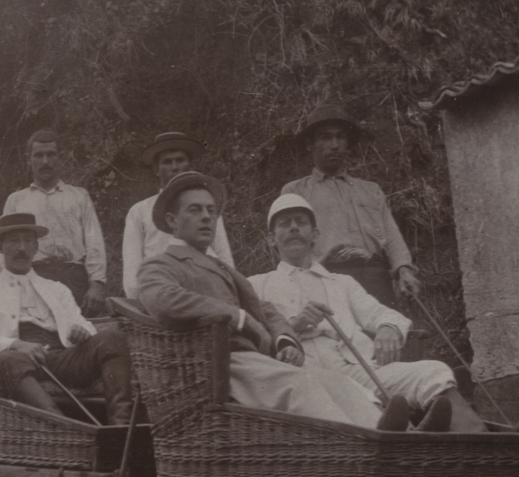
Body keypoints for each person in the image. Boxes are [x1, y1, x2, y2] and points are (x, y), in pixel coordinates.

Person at [135, 172, 420, 432]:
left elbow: (266, 311)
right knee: (301, 384)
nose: (207, 218)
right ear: (172, 221)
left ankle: (407, 436)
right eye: (195, 210)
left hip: (251, 361)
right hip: (212, 365)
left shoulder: (223, 268)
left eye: (211, 211)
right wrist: (237, 316)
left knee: (336, 382)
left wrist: (284, 340)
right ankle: (368, 446)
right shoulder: (160, 265)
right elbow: (163, 299)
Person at [247, 194, 510, 433]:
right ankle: (417, 440)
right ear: (271, 239)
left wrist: (388, 328)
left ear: (315, 234)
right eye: (285, 223)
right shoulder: (257, 285)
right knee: (352, 399)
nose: (294, 227)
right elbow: (254, 340)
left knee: (433, 371)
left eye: (301, 222)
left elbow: (385, 314)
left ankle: (485, 441)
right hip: (308, 378)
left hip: (358, 370)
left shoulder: (341, 283)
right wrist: (295, 327)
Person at [0, 213, 134, 426]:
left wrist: (82, 332)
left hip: (61, 357)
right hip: (18, 360)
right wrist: (16, 345)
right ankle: (64, 428)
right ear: (0, 247)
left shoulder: (57, 289)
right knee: (6, 360)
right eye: (14, 241)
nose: (21, 248)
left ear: (36, 248)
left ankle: (121, 428)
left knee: (112, 338)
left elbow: (80, 321)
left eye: (27, 241)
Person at [280, 104, 420, 309]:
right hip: (329, 279)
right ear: (310, 144)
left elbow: (391, 236)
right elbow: (292, 243)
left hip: (376, 280)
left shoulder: (371, 190)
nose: (334, 145)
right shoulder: (296, 192)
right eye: (325, 138)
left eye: (340, 137)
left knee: (386, 336)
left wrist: (404, 270)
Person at [1, 129, 107, 315]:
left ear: (61, 158)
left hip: (74, 279)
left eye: (51, 155)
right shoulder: (16, 200)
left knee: (78, 336)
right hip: (32, 278)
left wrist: (97, 283)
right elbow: (6, 248)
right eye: (38, 155)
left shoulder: (79, 196)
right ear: (29, 160)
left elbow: (94, 242)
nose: (45, 162)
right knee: (37, 337)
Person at [123, 131, 234, 298]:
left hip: (205, 293)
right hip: (159, 293)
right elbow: (132, 270)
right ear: (156, 169)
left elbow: (225, 259)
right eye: (167, 162)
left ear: (189, 165)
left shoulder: (207, 208)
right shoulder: (139, 211)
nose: (175, 167)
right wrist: (141, 298)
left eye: (180, 160)